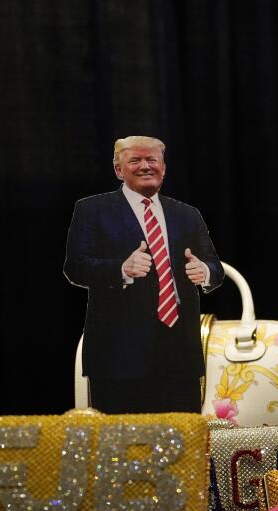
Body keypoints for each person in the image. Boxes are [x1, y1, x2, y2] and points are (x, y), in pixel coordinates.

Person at [64, 136, 223, 413]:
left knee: (183, 440)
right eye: (135, 160)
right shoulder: (92, 209)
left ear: (163, 167)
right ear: (118, 170)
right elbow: (75, 266)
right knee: (124, 443)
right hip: (118, 354)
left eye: (152, 160)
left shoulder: (187, 214)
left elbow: (215, 266)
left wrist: (205, 271)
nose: (145, 166)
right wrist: (120, 269)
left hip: (179, 352)